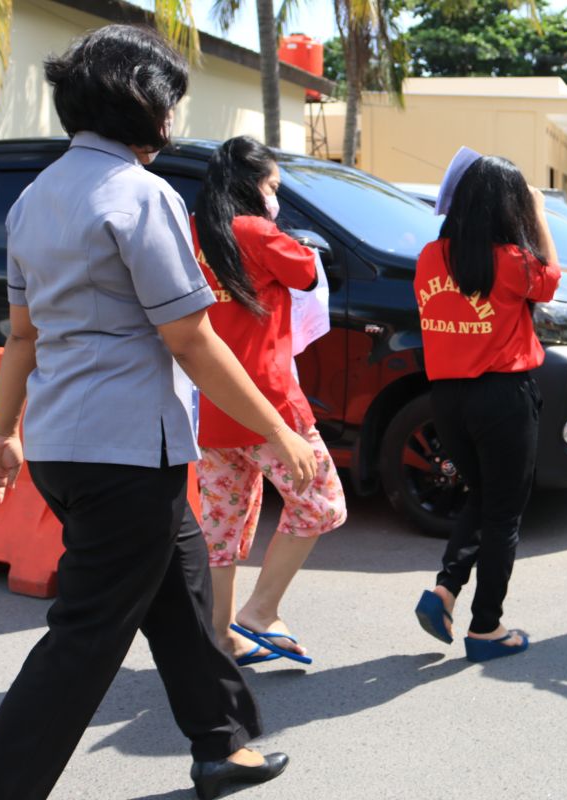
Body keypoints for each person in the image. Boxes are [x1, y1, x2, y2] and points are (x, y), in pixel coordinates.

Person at [0, 26, 317, 800]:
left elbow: (22, 335)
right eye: (172, 104)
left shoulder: (33, 200)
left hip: (65, 446)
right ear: (147, 106)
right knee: (86, 637)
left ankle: (223, 745)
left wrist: (5, 435)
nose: (174, 121)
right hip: (126, 453)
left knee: (182, 589)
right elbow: (190, 337)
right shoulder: (141, 194)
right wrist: (279, 430)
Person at [191, 136, 347, 668]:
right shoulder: (257, 231)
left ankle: (218, 637)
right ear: (253, 185)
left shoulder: (193, 233)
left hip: (211, 407)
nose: (274, 196)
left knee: (223, 528)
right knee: (321, 503)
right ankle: (260, 611)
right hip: (271, 405)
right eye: (273, 186)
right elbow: (306, 272)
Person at [411, 151, 560, 663]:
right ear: (508, 206)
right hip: (503, 397)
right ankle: (486, 629)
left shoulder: (431, 257)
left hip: (447, 398)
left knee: (481, 497)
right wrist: (538, 212)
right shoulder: (513, 262)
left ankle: (444, 592)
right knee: (503, 516)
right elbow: (552, 279)